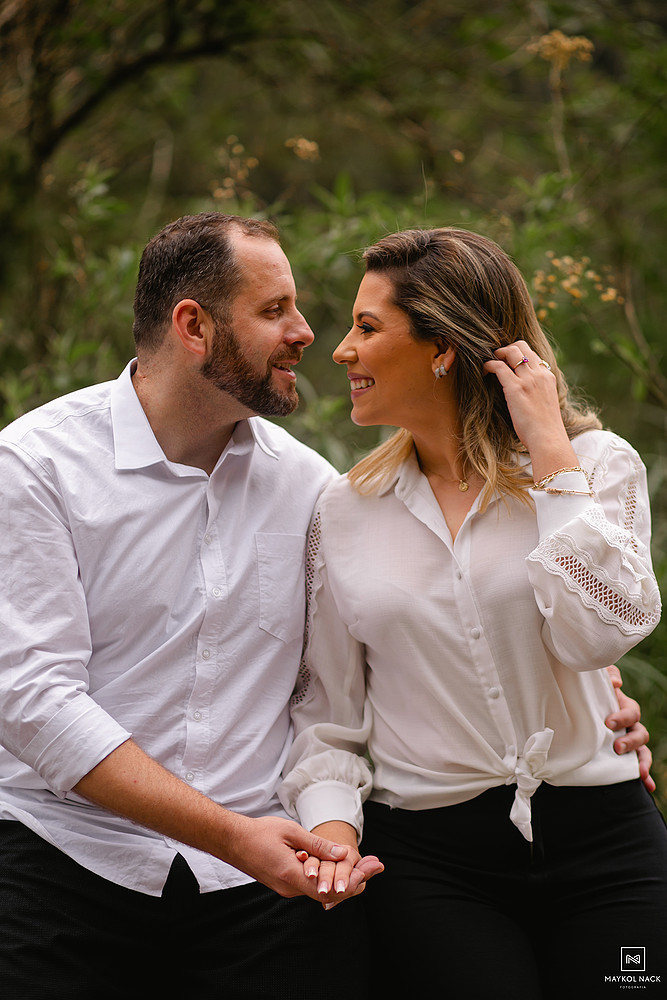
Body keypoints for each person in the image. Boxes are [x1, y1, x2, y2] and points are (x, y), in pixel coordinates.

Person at [0, 213, 383, 1000]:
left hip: (264, 890)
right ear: (193, 325)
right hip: (59, 860)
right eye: (274, 310)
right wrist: (236, 838)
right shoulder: (36, 466)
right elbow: (34, 702)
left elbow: (351, 677)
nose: (307, 332)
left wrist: (585, 703)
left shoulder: (311, 488)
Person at [280, 227, 666, 998]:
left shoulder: (595, 466)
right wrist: (330, 829)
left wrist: (551, 454)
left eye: (366, 328)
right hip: (430, 862)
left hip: (605, 842)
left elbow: (600, 638)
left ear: (442, 348)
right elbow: (326, 712)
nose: (341, 351)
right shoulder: (343, 511)